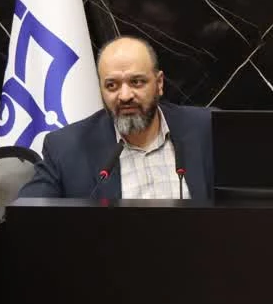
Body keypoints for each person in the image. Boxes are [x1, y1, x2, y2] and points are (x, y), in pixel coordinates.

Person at [18, 36, 213, 200]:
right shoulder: (67, 148)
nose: (125, 96)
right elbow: (26, 216)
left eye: (136, 82)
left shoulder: (208, 128)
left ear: (159, 83)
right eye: (112, 85)